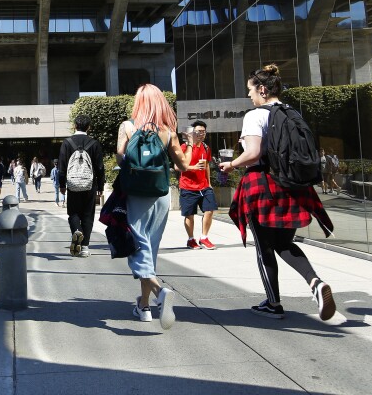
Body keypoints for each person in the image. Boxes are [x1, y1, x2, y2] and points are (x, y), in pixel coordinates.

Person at [219, 64, 336, 321]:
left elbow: (252, 153)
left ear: (262, 89)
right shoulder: (291, 112)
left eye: (250, 90)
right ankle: (315, 282)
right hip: (292, 186)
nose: (249, 95)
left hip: (262, 184)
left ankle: (273, 303)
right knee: (284, 242)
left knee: (264, 248)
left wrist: (231, 164)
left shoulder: (255, 115)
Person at [116, 84, 193, 330]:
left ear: (139, 103)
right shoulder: (168, 131)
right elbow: (182, 166)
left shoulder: (128, 127)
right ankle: (144, 307)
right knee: (150, 250)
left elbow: (120, 157)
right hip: (160, 195)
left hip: (136, 195)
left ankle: (160, 293)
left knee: (138, 249)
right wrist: (189, 144)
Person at [58, 115, 105, 258]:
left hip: (73, 185)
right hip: (90, 184)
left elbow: (61, 167)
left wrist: (62, 185)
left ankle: (77, 230)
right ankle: (84, 247)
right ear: (88, 127)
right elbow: (100, 167)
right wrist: (100, 186)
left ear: (74, 126)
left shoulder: (67, 143)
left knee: (73, 213)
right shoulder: (94, 143)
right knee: (88, 215)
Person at [180, 120, 217, 250]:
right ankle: (191, 239)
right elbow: (177, 166)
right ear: (192, 133)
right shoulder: (185, 147)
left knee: (209, 210)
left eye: (203, 132)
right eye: (198, 132)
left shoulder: (206, 147)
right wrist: (193, 167)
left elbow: (206, 165)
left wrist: (209, 183)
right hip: (188, 186)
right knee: (189, 214)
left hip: (204, 186)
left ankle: (204, 237)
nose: (201, 134)